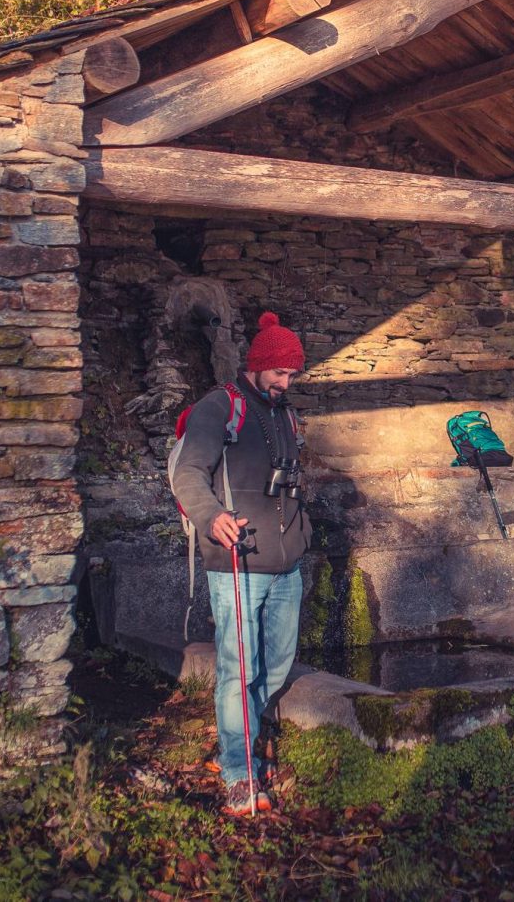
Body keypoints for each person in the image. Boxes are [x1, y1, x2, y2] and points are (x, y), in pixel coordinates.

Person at [170, 311, 310, 816]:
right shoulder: (218, 408)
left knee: (276, 664)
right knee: (238, 670)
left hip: (286, 564)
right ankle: (239, 773)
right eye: (278, 373)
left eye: (292, 375)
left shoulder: (285, 412)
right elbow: (188, 474)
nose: (285, 382)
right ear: (257, 365)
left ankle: (245, 737)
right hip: (234, 561)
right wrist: (212, 517)